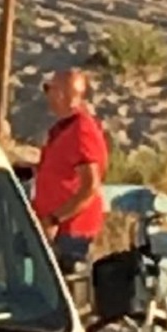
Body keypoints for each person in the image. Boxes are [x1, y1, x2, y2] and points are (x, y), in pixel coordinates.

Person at [32, 68, 108, 272]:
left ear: (61, 93)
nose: (47, 94)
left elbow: (90, 186)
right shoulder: (64, 128)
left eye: (48, 88)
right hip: (58, 225)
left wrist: (54, 219)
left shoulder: (81, 130)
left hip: (70, 230)